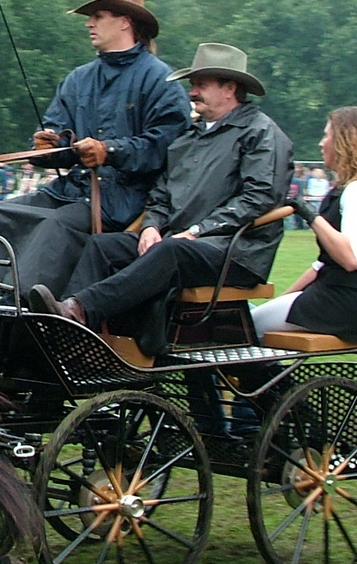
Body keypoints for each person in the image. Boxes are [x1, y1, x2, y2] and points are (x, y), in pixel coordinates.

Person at [28, 43, 293, 356]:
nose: (192, 92)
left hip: (235, 251)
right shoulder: (189, 137)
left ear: (229, 88)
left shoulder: (261, 133)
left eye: (201, 85)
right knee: (104, 246)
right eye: (192, 84)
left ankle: (78, 311)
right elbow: (161, 193)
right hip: (180, 244)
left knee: (172, 251)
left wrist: (197, 231)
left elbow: (258, 198)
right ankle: (76, 343)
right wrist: (151, 226)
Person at [0, 0, 189, 300]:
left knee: (56, 226)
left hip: (123, 199)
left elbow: (165, 145)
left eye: (98, 15)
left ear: (125, 21)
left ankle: (20, 305)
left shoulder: (160, 80)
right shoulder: (79, 79)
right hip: (71, 190)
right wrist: (45, 148)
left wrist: (110, 151)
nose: (89, 23)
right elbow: (57, 133)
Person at [251, 107, 357, 342]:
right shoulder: (348, 190)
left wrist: (309, 214)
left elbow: (351, 258)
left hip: (343, 305)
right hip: (338, 300)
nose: (321, 143)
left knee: (245, 326)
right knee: (249, 318)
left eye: (327, 136)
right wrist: (283, 299)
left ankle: (265, 377)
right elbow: (321, 266)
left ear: (345, 142)